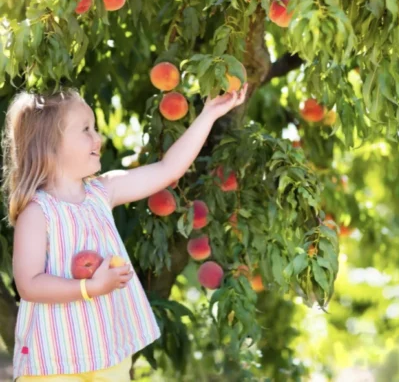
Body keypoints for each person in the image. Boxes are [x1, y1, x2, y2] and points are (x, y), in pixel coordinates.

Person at [0, 83, 248, 381]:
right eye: (86, 130)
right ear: (50, 145)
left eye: (95, 127)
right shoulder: (37, 212)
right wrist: (89, 288)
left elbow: (169, 169)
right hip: (55, 358)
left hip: (108, 351)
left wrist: (209, 114)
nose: (98, 137)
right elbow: (29, 285)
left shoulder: (102, 192)